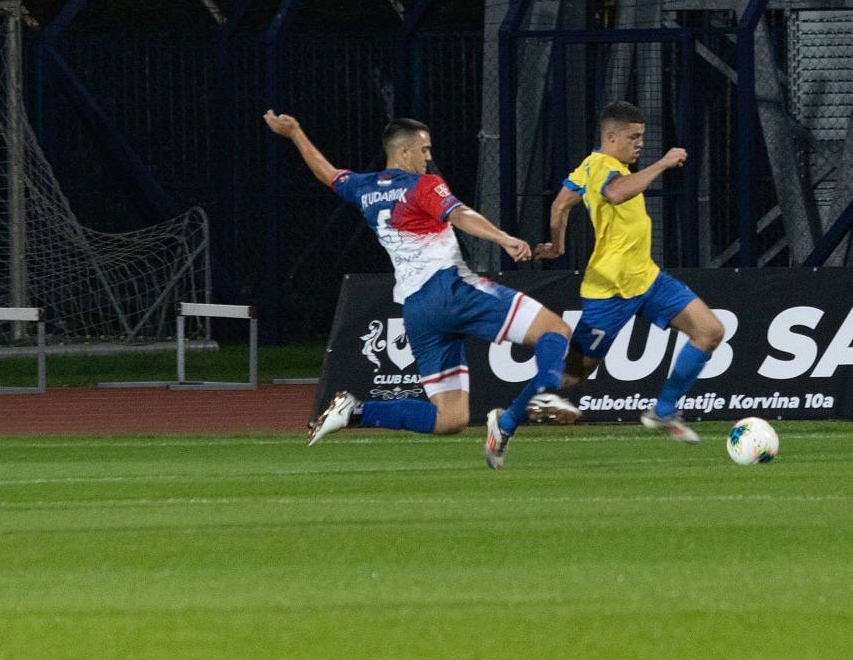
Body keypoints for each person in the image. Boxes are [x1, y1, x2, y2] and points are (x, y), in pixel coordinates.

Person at [266, 111, 579, 468]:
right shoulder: (424, 186)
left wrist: (295, 133)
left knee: (450, 419)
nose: (428, 157)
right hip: (452, 289)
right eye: (424, 149)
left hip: (418, 310)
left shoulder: (365, 187)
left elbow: (328, 174)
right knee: (557, 330)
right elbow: (460, 215)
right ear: (403, 152)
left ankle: (356, 411)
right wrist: (503, 238)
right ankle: (542, 396)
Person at [532, 100, 724, 443]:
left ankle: (663, 411)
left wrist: (557, 245)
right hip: (610, 291)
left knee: (709, 331)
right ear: (611, 137)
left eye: (642, 137)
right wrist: (663, 163)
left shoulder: (591, 166)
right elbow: (617, 193)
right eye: (634, 137)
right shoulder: (603, 167)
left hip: (647, 280)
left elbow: (560, 204)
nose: (640, 144)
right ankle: (520, 407)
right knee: (573, 375)